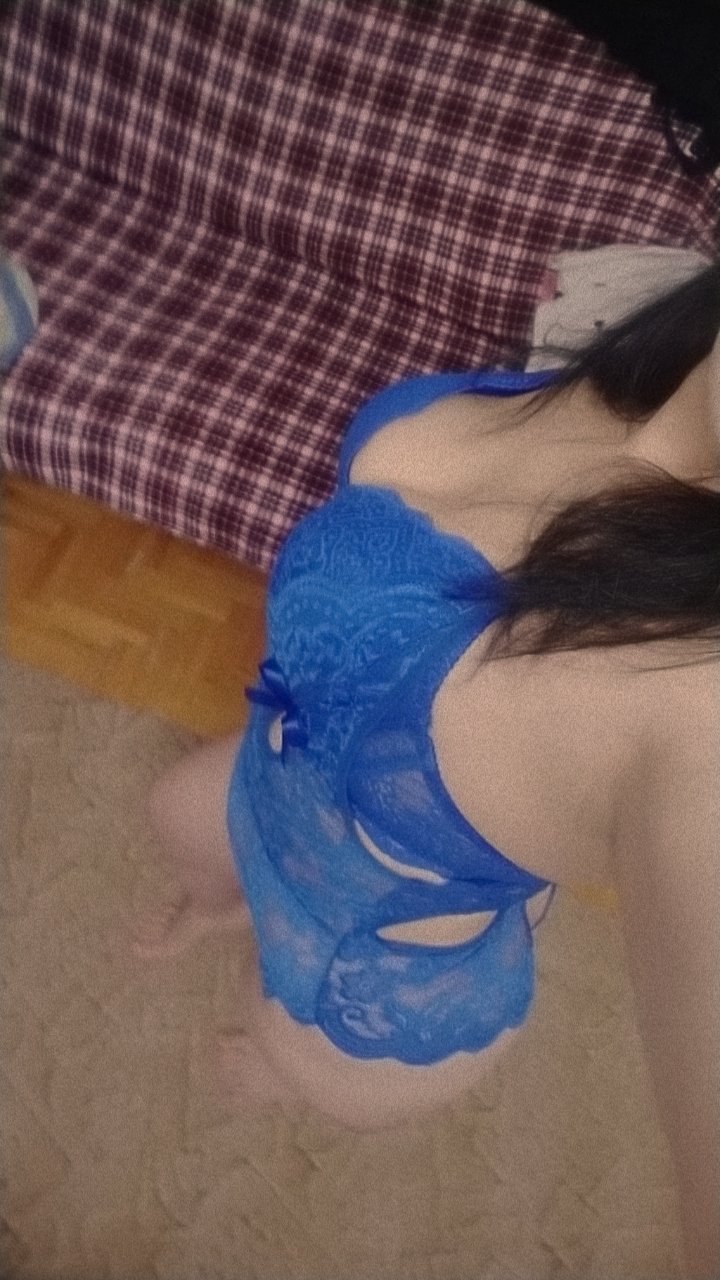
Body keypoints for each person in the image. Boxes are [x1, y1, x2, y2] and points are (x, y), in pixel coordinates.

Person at [137, 262, 720, 1278]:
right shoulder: (663, 340)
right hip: (286, 774)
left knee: (277, 1039)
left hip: (368, 983)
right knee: (178, 818)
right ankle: (221, 902)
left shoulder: (698, 716)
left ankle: (274, 1066)